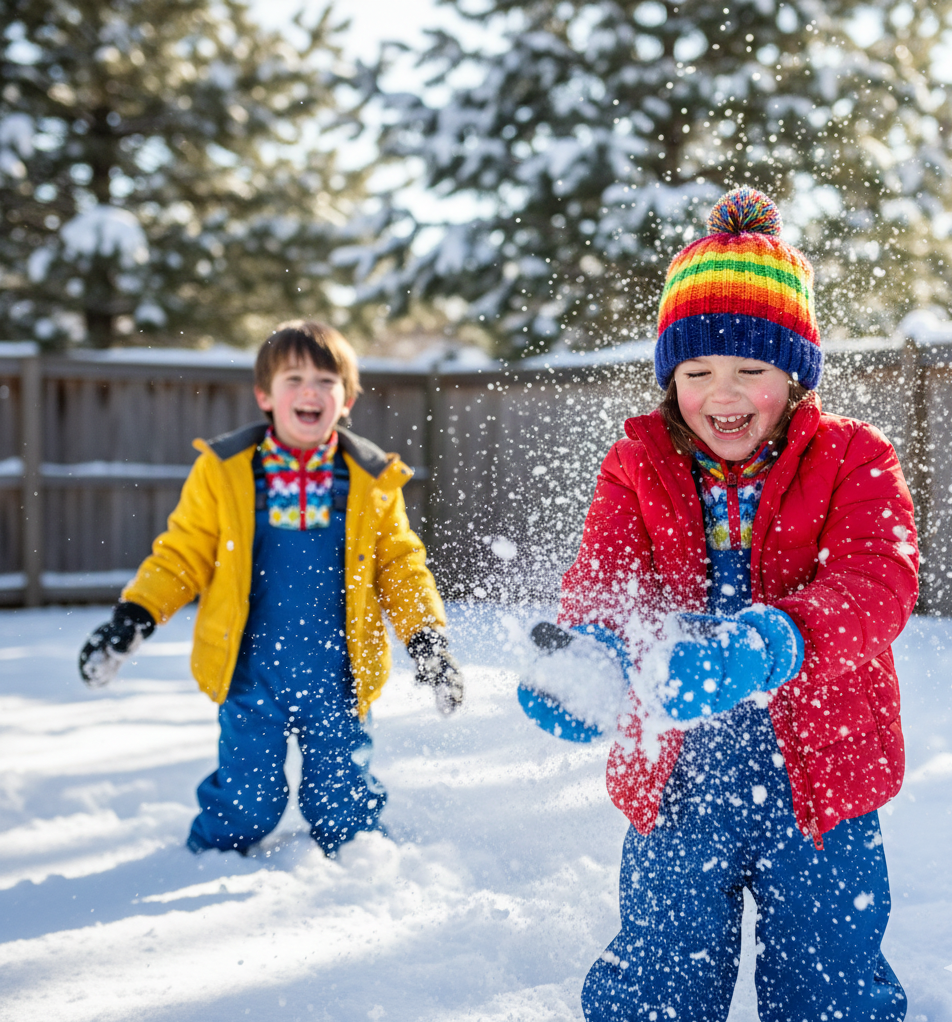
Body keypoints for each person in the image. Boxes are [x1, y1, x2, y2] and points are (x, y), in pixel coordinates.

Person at [555, 188, 918, 1020]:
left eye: (751, 369)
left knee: (831, 989)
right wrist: (593, 666)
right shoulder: (637, 465)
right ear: (669, 376)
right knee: (658, 983)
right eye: (697, 371)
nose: (723, 393)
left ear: (795, 373)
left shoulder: (856, 457)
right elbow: (604, 585)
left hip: (823, 781)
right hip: (676, 786)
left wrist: (774, 639)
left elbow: (880, 582)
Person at [79, 320, 463, 857]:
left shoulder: (371, 481)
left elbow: (400, 567)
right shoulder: (226, 472)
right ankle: (205, 862)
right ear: (265, 394)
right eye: (294, 377)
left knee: (344, 801)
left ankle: (361, 872)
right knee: (247, 798)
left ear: (347, 398)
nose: (311, 391)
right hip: (251, 668)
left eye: (327, 380)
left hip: (340, 671)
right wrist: (135, 615)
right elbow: (182, 552)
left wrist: (427, 639)